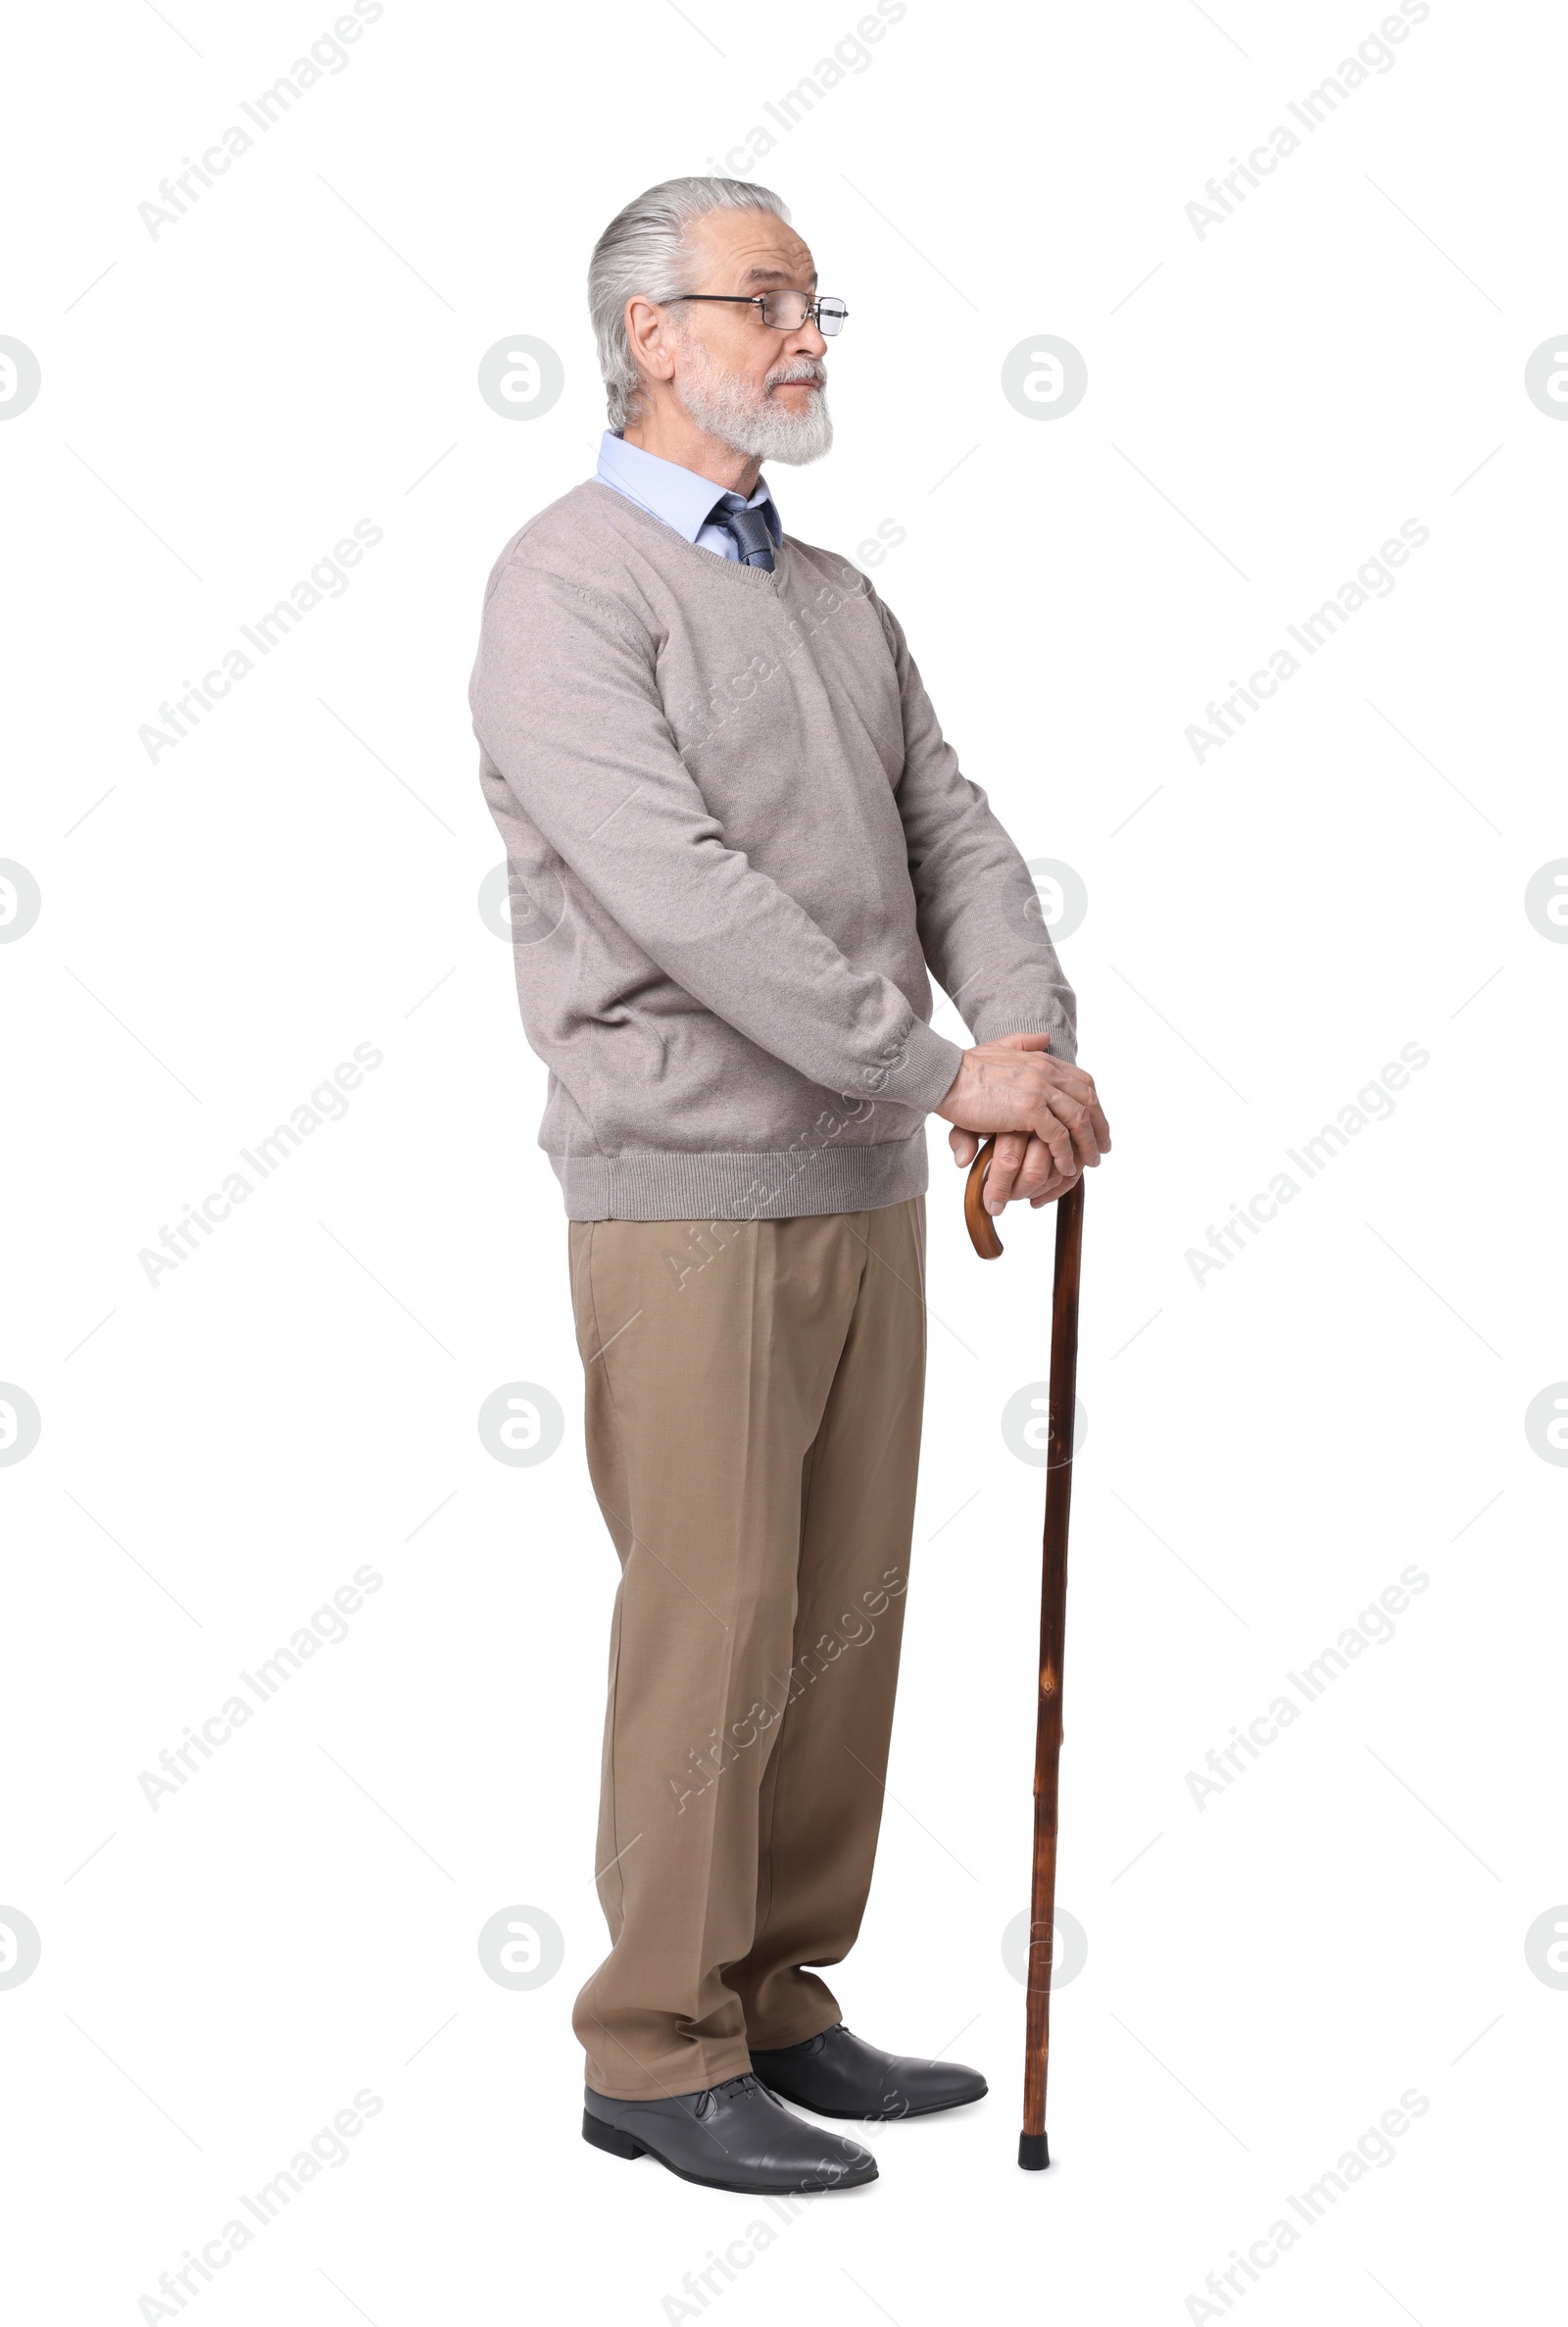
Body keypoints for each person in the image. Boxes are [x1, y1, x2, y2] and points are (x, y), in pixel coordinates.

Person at [469, 174, 1110, 2196]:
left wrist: (1024, 1045)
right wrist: (947, 1070)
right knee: (717, 1608)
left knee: (838, 1610)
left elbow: (955, 834)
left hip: (853, 1175)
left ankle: (770, 1995)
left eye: (815, 298)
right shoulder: (563, 585)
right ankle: (652, 2040)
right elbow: (687, 901)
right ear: (650, 335)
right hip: (681, 1189)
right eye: (766, 298)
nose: (807, 328)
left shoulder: (832, 595)